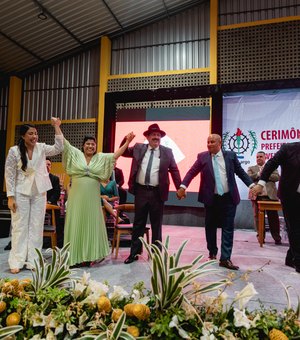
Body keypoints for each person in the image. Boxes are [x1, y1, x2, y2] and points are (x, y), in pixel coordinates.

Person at [177, 134, 254, 270]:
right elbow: (191, 172)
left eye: (212, 142)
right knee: (210, 227)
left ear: (219, 143)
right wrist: (183, 186)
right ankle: (212, 252)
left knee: (228, 228)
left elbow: (241, 172)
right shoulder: (202, 157)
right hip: (211, 198)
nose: (209, 144)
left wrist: (252, 186)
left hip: (229, 198)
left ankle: (225, 258)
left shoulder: (230, 156)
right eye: (208, 142)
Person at [62, 132, 135, 268]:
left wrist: (127, 142)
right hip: (77, 197)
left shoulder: (100, 158)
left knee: (90, 224)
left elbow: (115, 155)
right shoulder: (76, 154)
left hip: (92, 197)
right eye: (88, 144)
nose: (90, 146)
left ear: (95, 146)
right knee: (76, 222)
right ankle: (74, 257)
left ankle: (88, 256)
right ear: (83, 146)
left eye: (93, 144)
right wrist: (57, 127)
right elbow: (65, 143)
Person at [4, 118, 64, 273]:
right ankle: (16, 261)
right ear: (23, 136)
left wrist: (56, 126)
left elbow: (59, 147)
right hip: (20, 192)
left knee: (36, 227)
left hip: (39, 192)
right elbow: (9, 174)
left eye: (36, 133)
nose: (34, 136)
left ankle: (33, 260)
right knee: (20, 226)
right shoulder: (14, 151)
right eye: (31, 133)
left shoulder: (41, 148)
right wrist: (10, 196)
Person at [120, 123, 182, 264]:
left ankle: (156, 255)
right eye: (153, 135)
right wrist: (126, 140)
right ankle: (134, 253)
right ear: (147, 137)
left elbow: (174, 170)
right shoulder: (138, 148)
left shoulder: (167, 151)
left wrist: (180, 187)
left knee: (156, 225)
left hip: (157, 193)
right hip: (141, 191)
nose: (156, 137)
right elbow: (123, 152)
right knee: (138, 224)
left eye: (158, 135)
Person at [251, 142, 300, 273]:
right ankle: (298, 261)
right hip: (290, 195)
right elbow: (271, 164)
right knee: (295, 226)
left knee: (295, 227)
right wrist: (261, 184)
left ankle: (290, 257)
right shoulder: (289, 149)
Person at [247, 151, 281, 245]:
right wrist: (258, 174)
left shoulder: (271, 167)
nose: (259, 158)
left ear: (265, 157)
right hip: (257, 197)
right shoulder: (251, 168)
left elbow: (277, 177)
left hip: (270, 197)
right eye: (257, 157)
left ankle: (277, 238)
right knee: (257, 218)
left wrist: (265, 174)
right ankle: (261, 238)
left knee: (273, 218)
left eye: (261, 156)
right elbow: (248, 177)